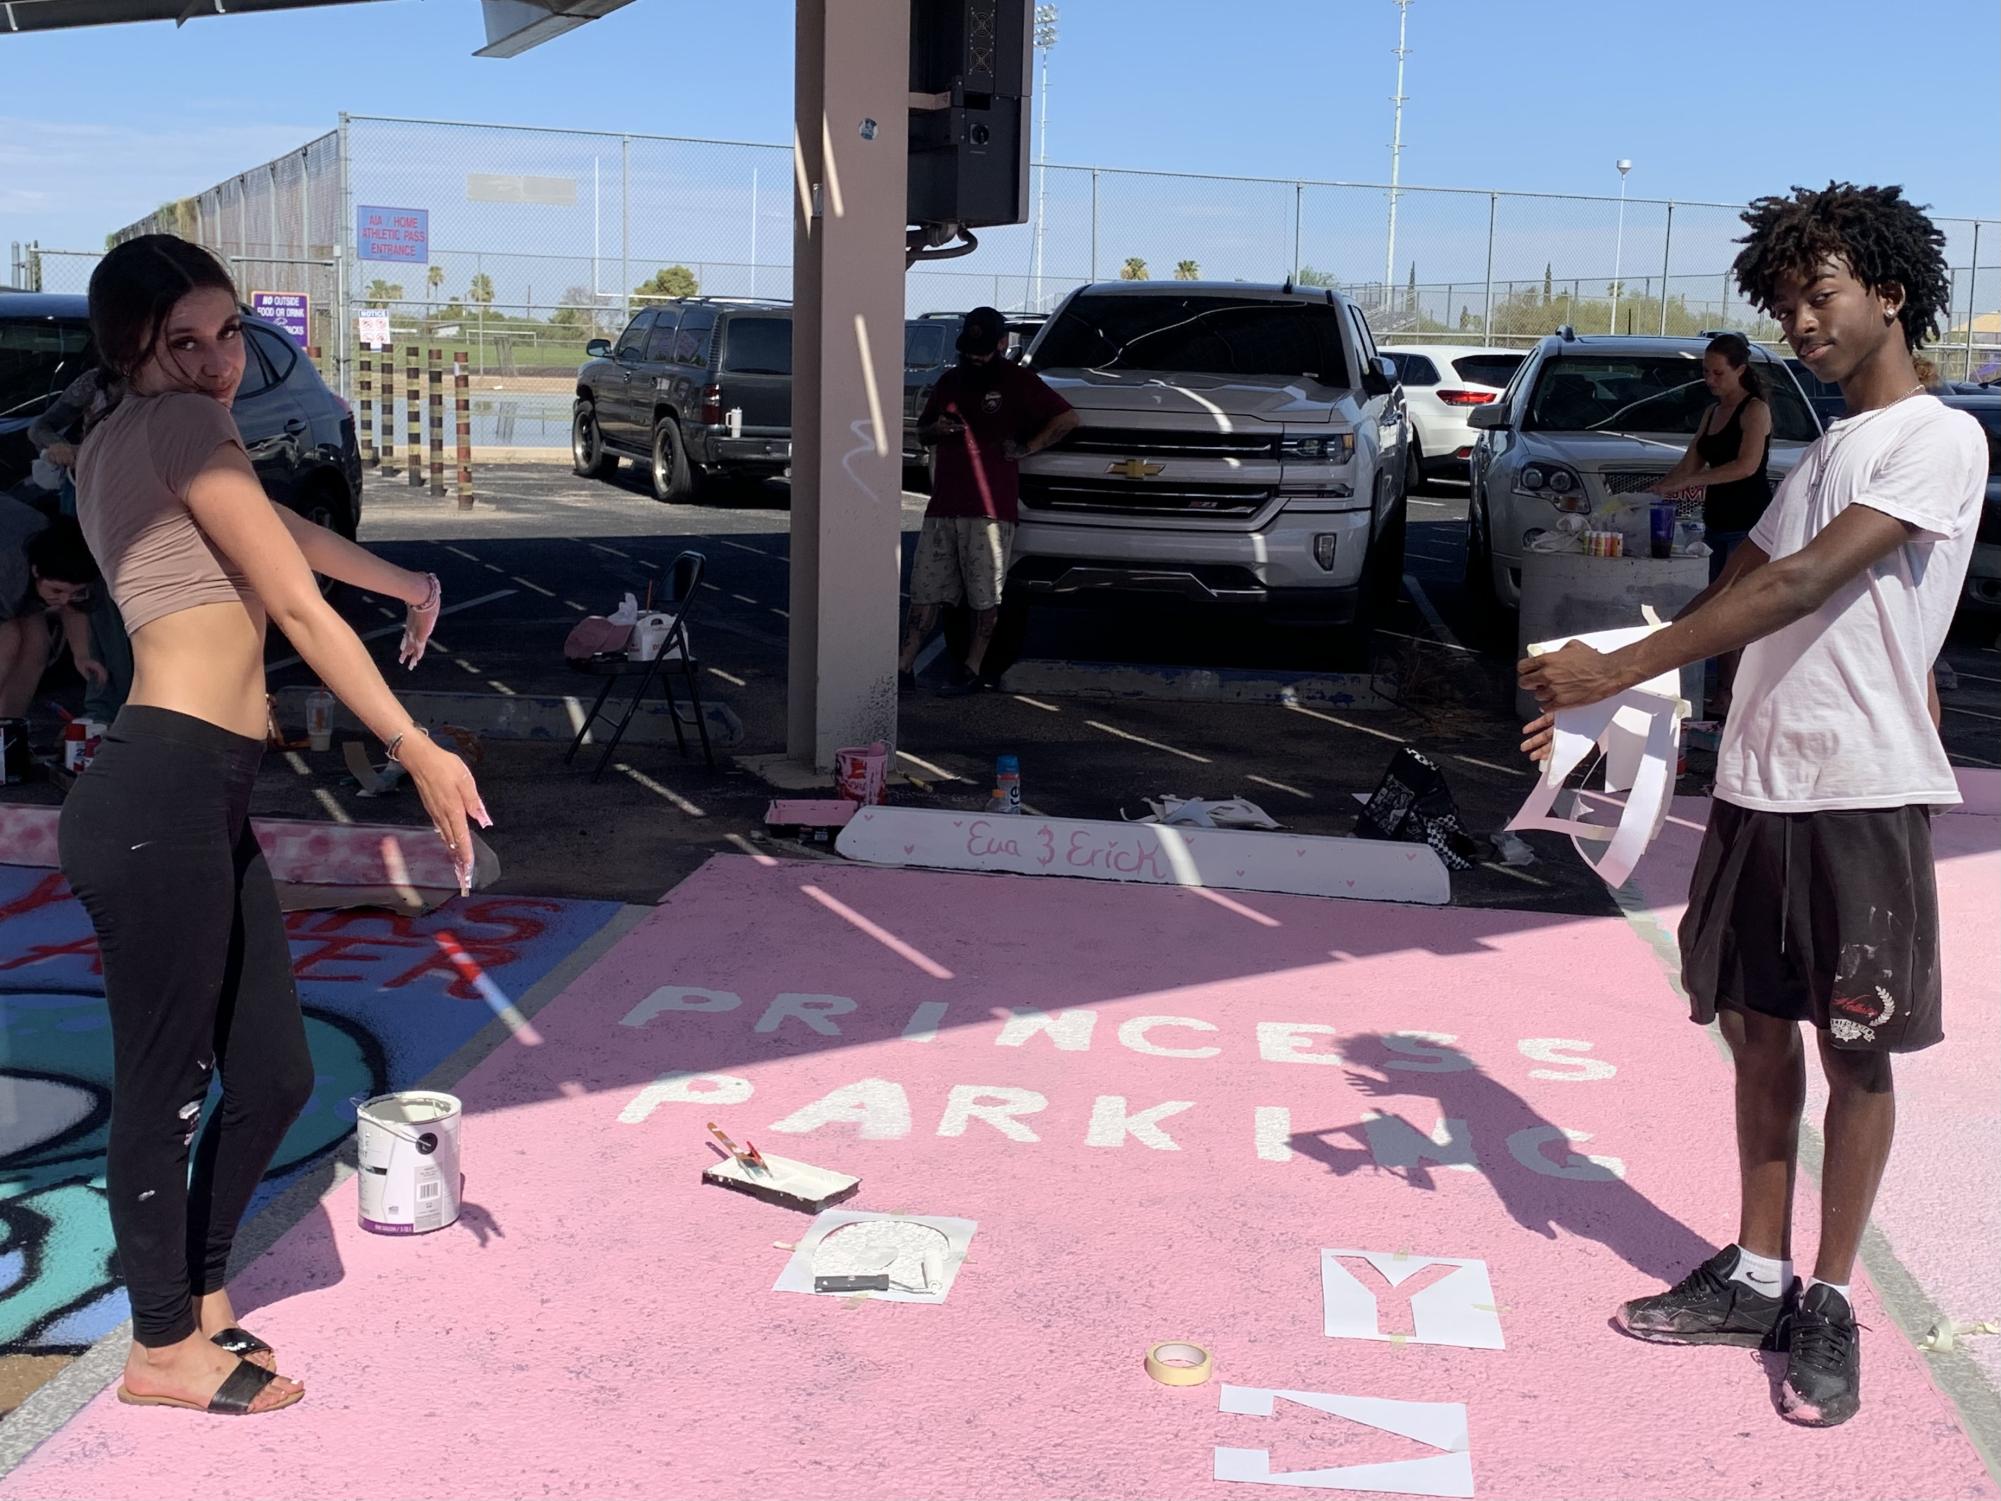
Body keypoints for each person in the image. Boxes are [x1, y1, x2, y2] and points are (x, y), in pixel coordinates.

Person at [1518, 183, 1986, 1429]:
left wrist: (1619, 664)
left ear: (1889, 291)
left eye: (1819, 295)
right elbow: (1745, 571)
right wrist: (1600, 711)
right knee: (1758, 1029)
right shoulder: (1823, 449)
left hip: (1861, 788)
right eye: (1785, 304)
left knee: (1857, 1044)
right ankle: (1758, 1268)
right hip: (1763, 778)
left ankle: (1829, 1298)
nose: (1802, 322)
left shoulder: (1938, 437)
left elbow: (1810, 579)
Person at [62, 234, 486, 1418]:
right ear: (132, 352)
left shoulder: (125, 437)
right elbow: (293, 602)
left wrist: (399, 583)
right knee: (167, 1087)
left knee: (276, 1070)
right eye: (177, 344)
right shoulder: (184, 427)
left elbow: (284, 544)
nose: (211, 363)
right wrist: (415, 748)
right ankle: (160, 1350)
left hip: (191, 793)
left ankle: (198, 1299)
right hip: (161, 795)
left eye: (223, 334)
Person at [899, 306, 1078, 696]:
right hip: (944, 504)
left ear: (1001, 344)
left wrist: (1027, 447)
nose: (976, 357)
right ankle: (904, 666)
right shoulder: (949, 381)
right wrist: (937, 427)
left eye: (983, 350)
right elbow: (924, 432)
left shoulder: (1018, 381)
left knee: (984, 594)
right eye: (969, 350)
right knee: (925, 589)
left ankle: (973, 668)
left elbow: (1067, 418)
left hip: (991, 510)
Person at [1657, 332, 1775, 713]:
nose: (1710, 381)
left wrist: (1693, 482)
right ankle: (1722, 693)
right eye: (1706, 373)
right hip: (1716, 522)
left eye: (1718, 373)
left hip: (1749, 523)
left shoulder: (1754, 409)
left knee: (1733, 611)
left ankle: (1732, 696)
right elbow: (1689, 463)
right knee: (1714, 607)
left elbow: (1747, 466)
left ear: (1740, 370)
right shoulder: (1712, 413)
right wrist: (1656, 490)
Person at [0, 510, 105, 718]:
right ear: (36, 571)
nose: (64, 600)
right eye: (57, 591)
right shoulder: (9, 568)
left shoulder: (65, 555)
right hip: (7, 565)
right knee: (9, 638)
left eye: (74, 592)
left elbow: (73, 606)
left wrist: (82, 654)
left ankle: (8, 728)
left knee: (37, 645)